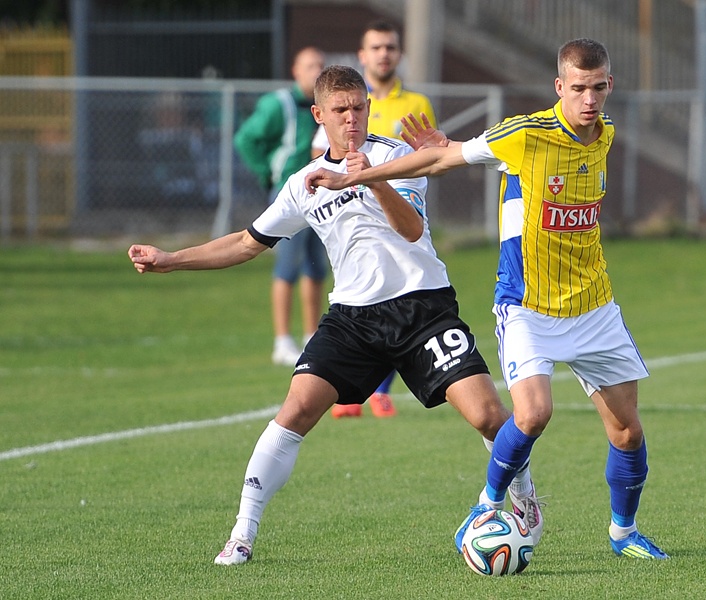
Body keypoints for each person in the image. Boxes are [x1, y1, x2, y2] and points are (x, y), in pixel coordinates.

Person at [127, 65, 541, 566]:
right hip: (353, 320)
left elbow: (411, 230)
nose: (352, 119)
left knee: (490, 417)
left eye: (359, 107)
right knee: (296, 409)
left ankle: (523, 501)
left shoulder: (397, 156)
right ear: (319, 115)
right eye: (340, 110)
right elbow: (244, 242)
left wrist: (366, 179)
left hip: (423, 309)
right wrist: (171, 259)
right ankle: (242, 533)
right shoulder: (305, 183)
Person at [306, 39, 668, 559]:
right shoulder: (526, 132)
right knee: (533, 414)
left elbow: (449, 149)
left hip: (593, 303)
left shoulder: (604, 134)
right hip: (526, 302)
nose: (589, 99)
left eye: (598, 87)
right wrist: (356, 175)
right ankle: (489, 501)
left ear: (608, 86)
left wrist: (440, 145)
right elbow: (440, 162)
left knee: (628, 431)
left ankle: (623, 533)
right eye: (579, 88)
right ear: (559, 87)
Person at [320, 19, 438, 419]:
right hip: (351, 215)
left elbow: (429, 155)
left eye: (390, 47)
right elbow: (324, 156)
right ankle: (361, 386)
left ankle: (379, 389)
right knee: (361, 289)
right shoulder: (343, 99)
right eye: (376, 47)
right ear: (362, 55)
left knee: (399, 286)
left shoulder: (416, 103)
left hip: (397, 204)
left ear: (398, 54)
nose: (383, 54)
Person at [234, 46, 329, 367]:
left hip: (323, 190)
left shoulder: (325, 104)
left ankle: (312, 335)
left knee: (316, 265)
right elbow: (245, 139)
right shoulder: (279, 104)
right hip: (290, 193)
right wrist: (267, 173)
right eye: (309, 65)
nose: (316, 70)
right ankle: (282, 340)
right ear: (295, 71)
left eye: (320, 64)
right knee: (287, 265)